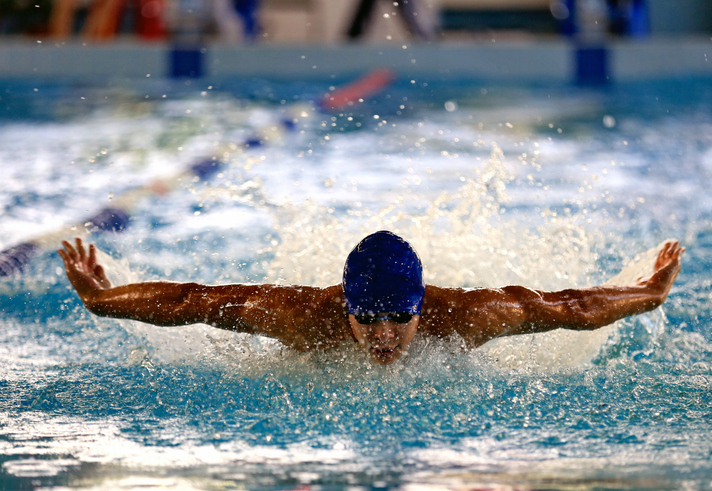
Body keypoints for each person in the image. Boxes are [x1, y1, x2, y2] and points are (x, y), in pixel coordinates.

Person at [58, 231, 684, 365]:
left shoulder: (464, 318)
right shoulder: (302, 317)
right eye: (368, 320)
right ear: (345, 307)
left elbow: (566, 308)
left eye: (398, 320)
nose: (383, 335)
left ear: (420, 308)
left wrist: (647, 295)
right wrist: (104, 301)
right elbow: (196, 299)